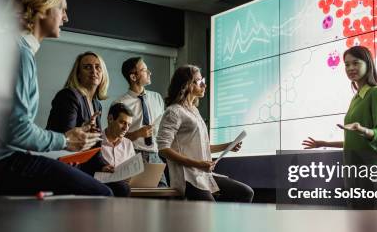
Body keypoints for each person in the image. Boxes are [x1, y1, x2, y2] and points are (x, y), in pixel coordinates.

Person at [0, 0, 112, 196]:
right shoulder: (19, 55)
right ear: (42, 8)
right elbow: (17, 131)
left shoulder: (12, 49)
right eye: (62, 9)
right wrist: (65, 140)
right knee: (102, 194)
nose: (65, 17)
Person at [302, 46, 377, 208]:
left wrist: (363, 129)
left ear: (368, 64)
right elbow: (355, 141)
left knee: (372, 226)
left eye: (355, 63)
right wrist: (324, 144)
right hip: (352, 171)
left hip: (369, 173)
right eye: (346, 64)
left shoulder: (376, 93)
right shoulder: (356, 98)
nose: (350, 68)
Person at [157, 65, 254, 202]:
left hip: (203, 174)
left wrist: (228, 146)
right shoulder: (174, 112)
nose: (204, 85)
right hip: (188, 177)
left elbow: (201, 146)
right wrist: (197, 164)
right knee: (211, 211)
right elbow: (163, 150)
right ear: (188, 84)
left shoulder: (194, 111)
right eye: (199, 81)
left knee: (245, 192)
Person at [115, 57, 168, 187]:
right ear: (133, 77)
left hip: (155, 155)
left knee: (164, 193)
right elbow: (114, 138)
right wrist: (137, 134)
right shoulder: (120, 103)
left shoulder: (157, 98)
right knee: (138, 199)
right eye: (144, 70)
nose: (150, 72)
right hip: (133, 155)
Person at [46, 51, 110, 134]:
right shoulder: (68, 96)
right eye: (87, 67)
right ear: (78, 74)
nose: (94, 71)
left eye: (98, 67)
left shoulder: (97, 105)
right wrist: (84, 128)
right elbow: (67, 136)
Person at [80, 103, 134, 196]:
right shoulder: (94, 140)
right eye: (122, 122)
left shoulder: (128, 144)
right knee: (123, 189)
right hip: (100, 188)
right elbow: (85, 169)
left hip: (125, 188)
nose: (126, 128)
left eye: (128, 124)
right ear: (110, 119)